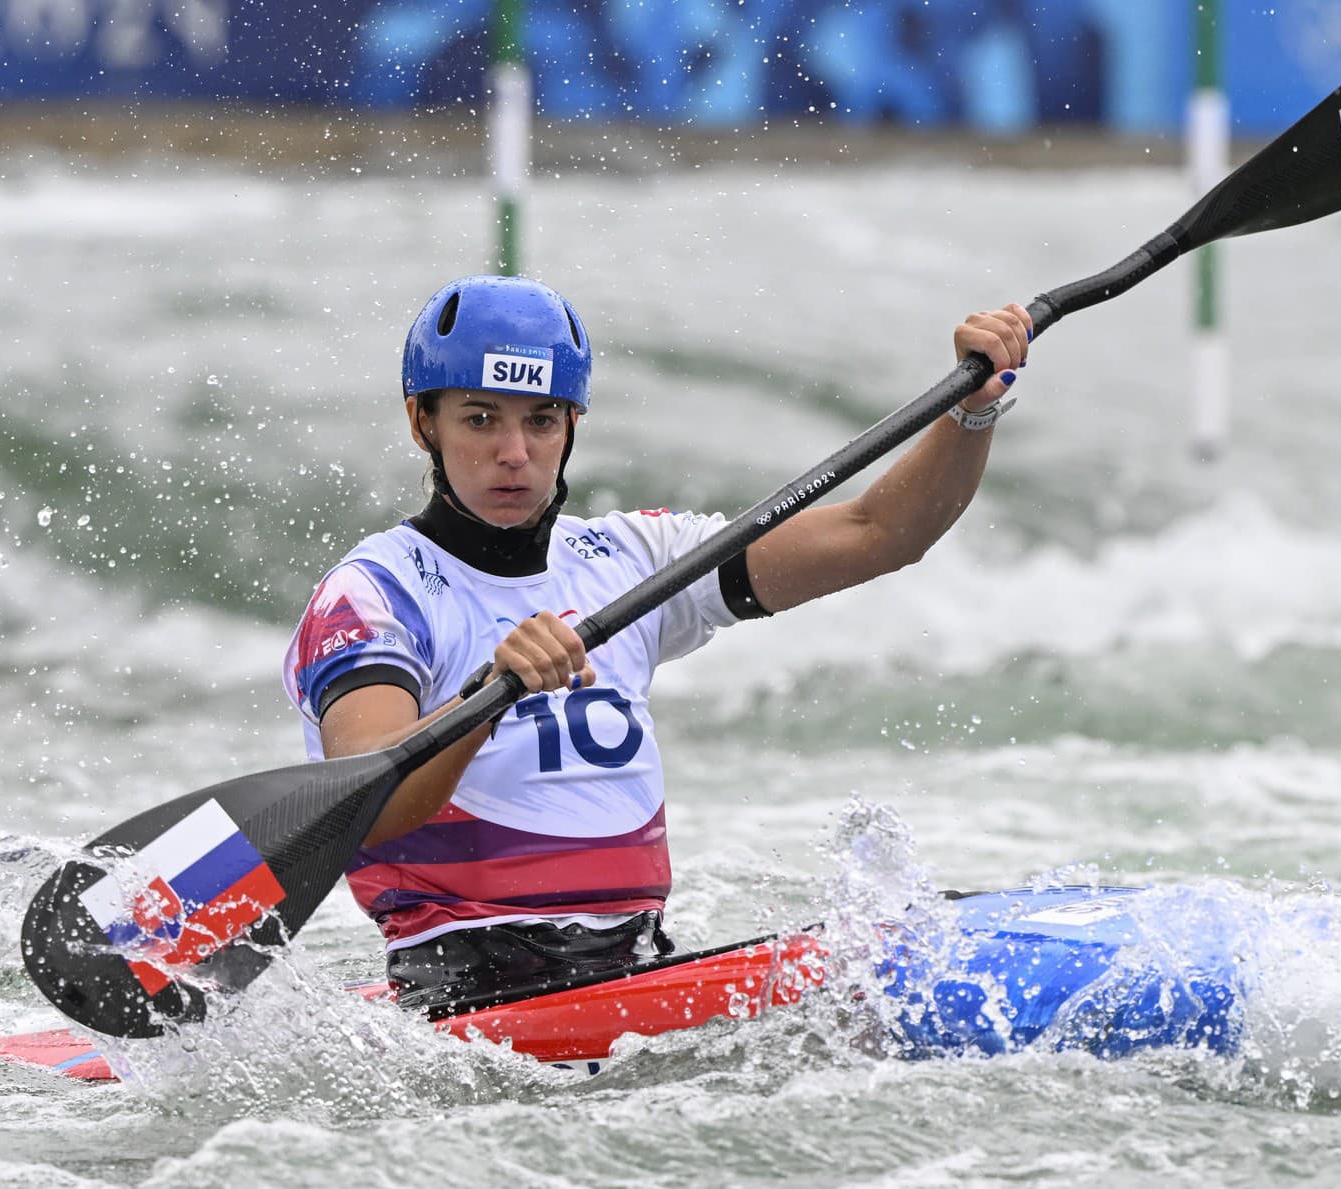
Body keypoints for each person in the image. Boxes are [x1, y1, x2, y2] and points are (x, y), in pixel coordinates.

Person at [282, 274, 1030, 1010]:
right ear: (423, 422)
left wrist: (969, 415)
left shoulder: (631, 557)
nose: (514, 451)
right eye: (480, 419)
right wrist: (484, 698)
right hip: (467, 988)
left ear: (572, 425)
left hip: (634, 961)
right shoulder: (374, 592)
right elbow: (365, 799)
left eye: (542, 419)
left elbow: (877, 533)